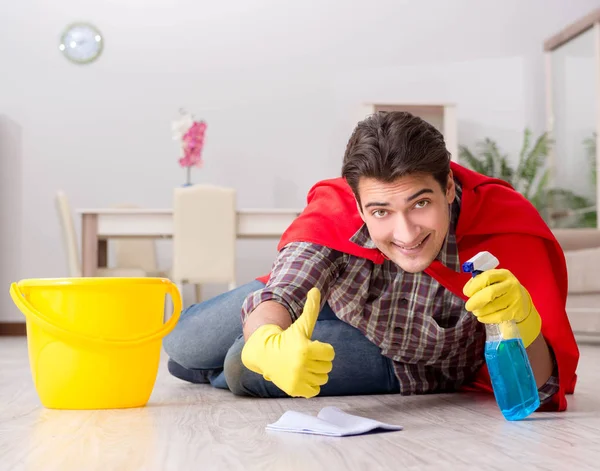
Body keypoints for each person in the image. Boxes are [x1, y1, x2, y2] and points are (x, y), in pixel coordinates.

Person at [163, 111, 579, 411]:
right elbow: (286, 290)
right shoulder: (338, 210)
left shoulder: (504, 231)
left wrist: (524, 325)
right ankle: (234, 354)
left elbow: (541, 391)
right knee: (183, 345)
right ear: (359, 206)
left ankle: (235, 361)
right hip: (334, 302)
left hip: (404, 358)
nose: (406, 233)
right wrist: (266, 342)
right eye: (381, 212)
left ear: (448, 187)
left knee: (239, 367)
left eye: (420, 203)